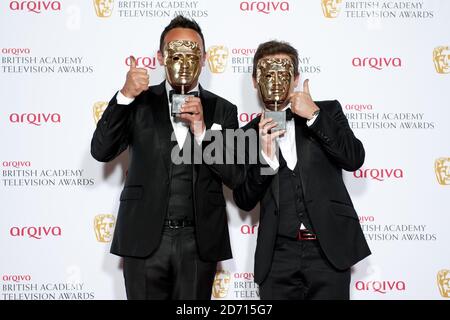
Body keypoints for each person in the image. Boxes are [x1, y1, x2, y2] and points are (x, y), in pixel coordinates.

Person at [91, 15, 243, 300]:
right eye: (175, 53)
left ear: (205, 58)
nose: (184, 61)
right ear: (161, 57)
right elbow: (101, 150)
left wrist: (202, 132)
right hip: (144, 238)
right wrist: (124, 96)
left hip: (200, 243)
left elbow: (236, 175)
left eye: (192, 53)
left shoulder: (223, 110)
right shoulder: (138, 102)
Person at [233, 40, 371, 300]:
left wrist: (315, 116)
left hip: (328, 251)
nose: (275, 81)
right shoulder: (246, 134)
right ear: (254, 81)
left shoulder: (327, 111)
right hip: (277, 257)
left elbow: (354, 158)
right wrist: (267, 159)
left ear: (296, 78)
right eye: (267, 74)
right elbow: (243, 198)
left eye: (283, 74)